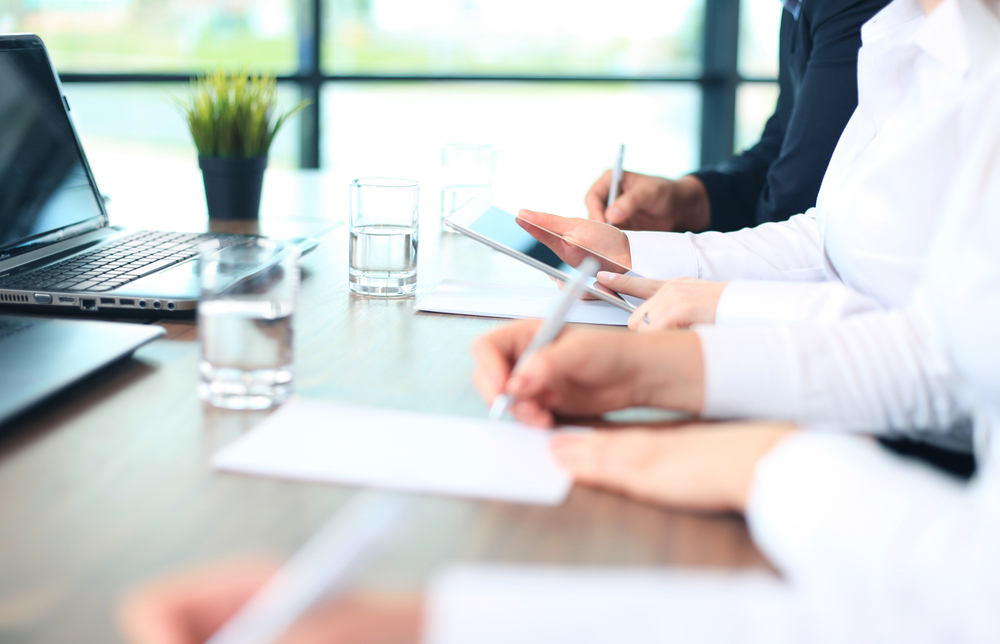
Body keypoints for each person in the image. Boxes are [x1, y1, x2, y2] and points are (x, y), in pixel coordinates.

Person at [118, 35, 1000, 639]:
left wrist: (755, 455)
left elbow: (963, 599)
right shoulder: (935, 38)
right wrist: (655, 338)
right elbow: (929, 336)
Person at [587, 0, 890, 233]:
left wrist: (662, 260)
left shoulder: (851, 6)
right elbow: (780, 147)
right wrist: (685, 200)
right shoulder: (796, 8)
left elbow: (796, 204)